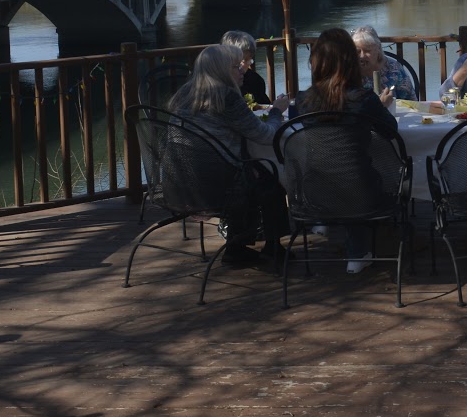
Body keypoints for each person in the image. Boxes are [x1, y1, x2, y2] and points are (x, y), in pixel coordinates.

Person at [290, 28, 401, 274]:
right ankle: (358, 253)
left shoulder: (302, 100)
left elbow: (296, 129)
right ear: (350, 62)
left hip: (313, 194)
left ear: (316, 62)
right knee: (357, 176)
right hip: (361, 195)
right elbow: (390, 131)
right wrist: (380, 107)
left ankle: (344, 239)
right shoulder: (364, 99)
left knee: (340, 171)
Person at [169, 43, 290, 266]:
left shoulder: (184, 93)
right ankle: (272, 248)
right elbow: (265, 136)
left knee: (252, 170)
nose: (243, 70)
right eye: (236, 66)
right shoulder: (226, 97)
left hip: (181, 183)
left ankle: (237, 247)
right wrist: (276, 111)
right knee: (270, 178)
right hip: (219, 188)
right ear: (221, 71)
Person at [352, 25, 418, 104]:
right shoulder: (349, 70)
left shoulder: (393, 69)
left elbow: (411, 102)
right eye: (358, 51)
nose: (362, 56)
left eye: (367, 51)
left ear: (378, 48)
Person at [221, 30, 271, 106]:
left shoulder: (256, 80)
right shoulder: (217, 85)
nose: (244, 66)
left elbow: (265, 106)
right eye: (240, 61)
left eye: (248, 60)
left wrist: (276, 107)